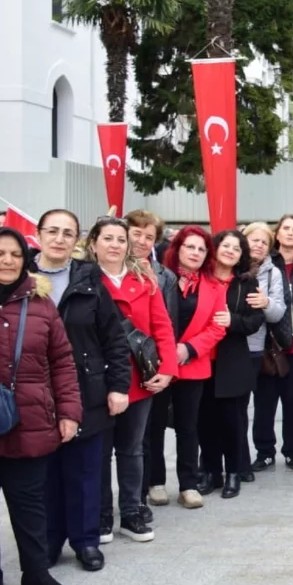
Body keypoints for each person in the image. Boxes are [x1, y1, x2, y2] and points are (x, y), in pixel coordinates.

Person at [0, 227, 83, 585]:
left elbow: (63, 362)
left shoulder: (40, 304)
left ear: (25, 260)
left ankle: (36, 574)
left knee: (31, 504)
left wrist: (69, 411)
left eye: (15, 255)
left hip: (31, 420)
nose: (7, 262)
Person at [33, 210, 130, 570]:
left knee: (86, 471)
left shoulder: (89, 280)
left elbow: (115, 340)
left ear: (77, 241)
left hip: (86, 389)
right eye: (53, 231)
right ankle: (49, 540)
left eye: (67, 233)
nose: (59, 239)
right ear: (38, 235)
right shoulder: (19, 279)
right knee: (45, 473)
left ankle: (86, 541)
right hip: (35, 393)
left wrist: (118, 387)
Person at [89, 216, 175, 543]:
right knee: (99, 451)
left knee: (132, 449)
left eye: (120, 239)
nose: (114, 245)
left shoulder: (144, 279)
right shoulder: (84, 278)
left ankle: (132, 511)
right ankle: (99, 516)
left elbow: (162, 327)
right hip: (97, 379)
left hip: (139, 378)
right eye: (107, 238)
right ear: (93, 243)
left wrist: (166, 369)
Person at [160, 227, 228, 508]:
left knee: (188, 428)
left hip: (192, 363)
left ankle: (188, 484)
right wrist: (167, 351)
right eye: (190, 247)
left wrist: (188, 349)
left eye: (201, 249)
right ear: (178, 248)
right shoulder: (160, 279)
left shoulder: (214, 286)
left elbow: (218, 326)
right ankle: (154, 482)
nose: (196, 253)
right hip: (159, 364)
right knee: (153, 428)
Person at [197, 231, 264, 499]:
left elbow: (255, 321)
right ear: (214, 248)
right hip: (201, 360)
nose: (230, 251)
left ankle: (234, 472)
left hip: (233, 361)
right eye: (225, 245)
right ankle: (210, 472)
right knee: (205, 421)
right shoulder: (199, 279)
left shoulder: (246, 283)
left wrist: (233, 321)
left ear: (241, 256)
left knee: (233, 422)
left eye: (236, 248)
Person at [124, 210, 179, 511]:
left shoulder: (163, 276)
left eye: (149, 237)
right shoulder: (98, 271)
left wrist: (165, 365)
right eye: (137, 234)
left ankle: (143, 492)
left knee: (145, 435)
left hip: (147, 363)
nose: (143, 241)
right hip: (111, 364)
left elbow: (166, 323)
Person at [252, 214, 293, 472]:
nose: (289, 233)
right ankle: (264, 452)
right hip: (271, 344)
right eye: (285, 228)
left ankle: (292, 451)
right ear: (277, 234)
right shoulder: (266, 264)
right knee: (265, 401)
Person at [241, 222, 289, 477]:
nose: (258, 245)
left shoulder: (273, 273)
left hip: (260, 348)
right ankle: (238, 459)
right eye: (254, 240)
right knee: (235, 408)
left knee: (264, 404)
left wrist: (266, 302)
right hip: (231, 347)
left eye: (263, 242)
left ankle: (264, 452)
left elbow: (278, 312)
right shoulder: (231, 265)